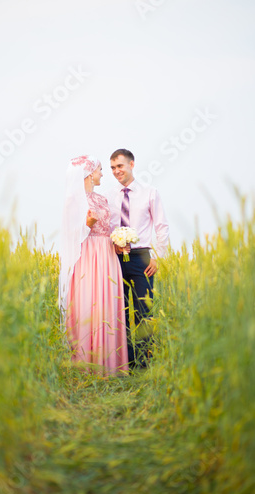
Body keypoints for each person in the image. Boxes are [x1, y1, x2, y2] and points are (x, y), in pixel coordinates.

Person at [59, 155, 128, 375]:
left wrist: (118, 242)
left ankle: (110, 365)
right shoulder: (73, 200)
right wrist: (86, 225)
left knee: (107, 305)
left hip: (107, 255)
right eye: (99, 169)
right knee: (90, 305)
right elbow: (69, 234)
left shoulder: (102, 199)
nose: (102, 173)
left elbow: (108, 226)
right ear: (89, 173)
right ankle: (87, 364)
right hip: (88, 255)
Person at [106, 149, 169, 368]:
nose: (116, 171)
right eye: (113, 168)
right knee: (120, 312)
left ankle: (144, 363)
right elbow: (107, 228)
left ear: (132, 164)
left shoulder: (150, 192)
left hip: (142, 258)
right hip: (115, 259)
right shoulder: (109, 196)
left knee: (144, 310)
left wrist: (158, 257)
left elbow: (161, 226)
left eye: (120, 166)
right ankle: (126, 363)